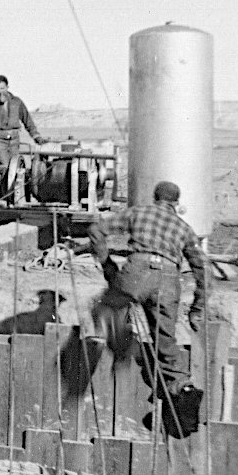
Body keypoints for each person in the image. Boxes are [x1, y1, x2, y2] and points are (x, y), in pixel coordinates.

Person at [88, 181, 208, 438]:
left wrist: (107, 264)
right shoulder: (184, 228)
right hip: (168, 279)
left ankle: (122, 349)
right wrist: (197, 308)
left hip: (137, 272)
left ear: (155, 198)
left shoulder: (138, 213)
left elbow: (97, 229)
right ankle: (183, 392)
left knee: (106, 308)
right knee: (165, 343)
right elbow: (202, 269)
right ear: (176, 204)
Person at [0, 75, 49, 202]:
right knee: (5, 168)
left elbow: (27, 120)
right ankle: (5, 199)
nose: (0, 92)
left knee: (16, 168)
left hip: (14, 138)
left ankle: (10, 198)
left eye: (2, 88)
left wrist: (36, 136)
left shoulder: (16, 102)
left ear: (7, 87)